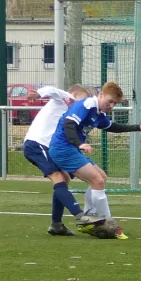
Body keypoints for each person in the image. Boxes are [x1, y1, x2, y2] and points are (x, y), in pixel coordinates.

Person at [49, 81, 141, 240]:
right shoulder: (86, 105)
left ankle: (90, 217)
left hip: (71, 149)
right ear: (100, 95)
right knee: (98, 181)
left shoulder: (99, 113)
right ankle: (109, 223)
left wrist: (137, 127)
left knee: (101, 177)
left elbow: (112, 127)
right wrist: (80, 144)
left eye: (115, 103)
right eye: (109, 101)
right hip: (63, 149)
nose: (111, 105)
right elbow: (68, 124)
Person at [23, 85, 103, 236]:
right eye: (82, 100)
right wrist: (38, 94)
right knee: (58, 177)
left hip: (49, 147)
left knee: (64, 179)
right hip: (36, 143)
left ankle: (56, 225)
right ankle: (80, 216)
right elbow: (52, 89)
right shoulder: (65, 99)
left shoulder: (73, 113)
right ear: (72, 95)